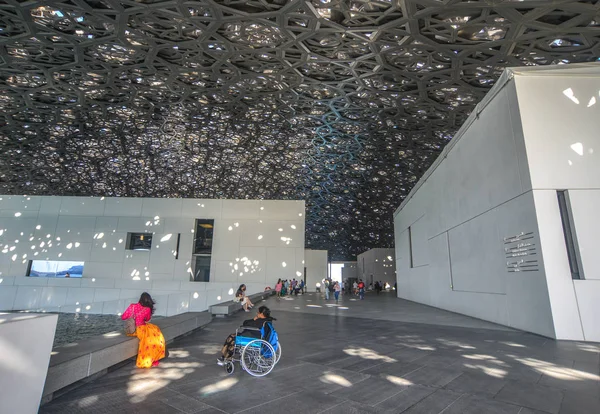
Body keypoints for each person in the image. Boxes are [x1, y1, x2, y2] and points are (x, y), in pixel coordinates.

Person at [121, 292, 166, 368]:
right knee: (155, 334)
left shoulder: (132, 306)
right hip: (141, 329)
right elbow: (147, 319)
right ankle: (153, 358)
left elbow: (123, 317)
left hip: (131, 330)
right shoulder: (147, 309)